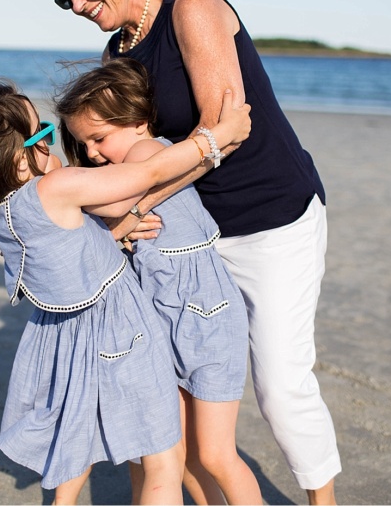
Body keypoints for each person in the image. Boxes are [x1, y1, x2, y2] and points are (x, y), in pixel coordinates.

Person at [22, 0, 341, 504]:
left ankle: (323, 501)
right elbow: (136, 151)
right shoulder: (118, 52)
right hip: (195, 238)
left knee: (279, 383)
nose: (77, 4)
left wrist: (136, 202)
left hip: (272, 219)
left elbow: (230, 130)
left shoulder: (192, 9)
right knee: (183, 414)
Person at [0, 80, 250, 505]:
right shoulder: (56, 188)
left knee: (75, 433)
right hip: (122, 331)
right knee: (164, 461)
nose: (51, 143)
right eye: (43, 134)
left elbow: (69, 252)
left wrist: (119, 229)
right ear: (19, 161)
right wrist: (215, 139)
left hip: (65, 339)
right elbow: (146, 174)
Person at [55, 58, 261, 505]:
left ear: (139, 121)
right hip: (168, 318)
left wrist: (59, 187)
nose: (91, 153)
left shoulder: (147, 154)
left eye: (98, 138)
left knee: (216, 453)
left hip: (204, 315)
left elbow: (114, 203)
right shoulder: (134, 159)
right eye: (82, 144)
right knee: (184, 453)